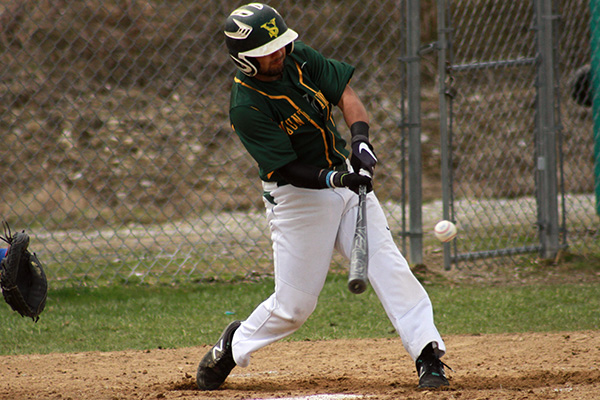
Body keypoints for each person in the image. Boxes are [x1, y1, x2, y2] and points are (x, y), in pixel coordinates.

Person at [196, 3, 450, 390]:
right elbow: (288, 169)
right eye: (267, 52)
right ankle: (233, 346)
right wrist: (337, 178)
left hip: (344, 182)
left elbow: (345, 94)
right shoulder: (247, 105)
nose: (278, 53)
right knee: (294, 308)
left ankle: (427, 355)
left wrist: (360, 139)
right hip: (297, 198)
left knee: (390, 269)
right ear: (245, 60)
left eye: (280, 45)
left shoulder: (298, 58)